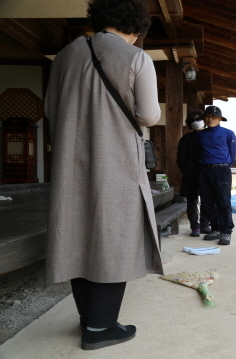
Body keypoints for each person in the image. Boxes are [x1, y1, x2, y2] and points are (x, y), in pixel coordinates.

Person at [44, 0, 162, 350]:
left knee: (77, 234)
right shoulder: (136, 58)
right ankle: (101, 328)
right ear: (136, 28)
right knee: (115, 237)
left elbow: (51, 109)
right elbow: (150, 115)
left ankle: (88, 320)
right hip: (115, 160)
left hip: (69, 161)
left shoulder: (64, 56)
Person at [196, 106, 236, 245]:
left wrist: (222, 167)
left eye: (213, 116)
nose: (210, 119)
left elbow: (232, 156)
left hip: (222, 170)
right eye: (207, 116)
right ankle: (216, 228)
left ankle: (226, 231)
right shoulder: (200, 135)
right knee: (207, 202)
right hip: (204, 170)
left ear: (220, 119)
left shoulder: (228, 134)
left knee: (223, 202)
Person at [177, 110, 212, 237]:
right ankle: (194, 227)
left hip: (206, 173)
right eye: (193, 120)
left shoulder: (209, 136)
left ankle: (205, 224)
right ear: (188, 123)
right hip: (190, 175)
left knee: (206, 200)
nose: (196, 122)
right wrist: (186, 170)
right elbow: (180, 159)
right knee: (191, 201)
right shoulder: (185, 139)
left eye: (198, 119)